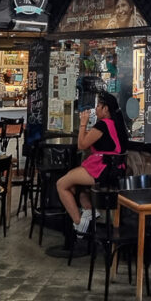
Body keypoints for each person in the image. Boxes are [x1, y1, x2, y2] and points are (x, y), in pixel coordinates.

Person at [56, 92, 128, 234]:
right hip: (115, 170)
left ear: (106, 109)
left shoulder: (102, 125)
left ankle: (79, 223)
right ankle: (89, 211)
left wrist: (83, 123)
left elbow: (81, 145)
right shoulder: (117, 123)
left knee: (62, 184)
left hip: (102, 170)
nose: (96, 109)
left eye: (98, 106)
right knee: (76, 187)